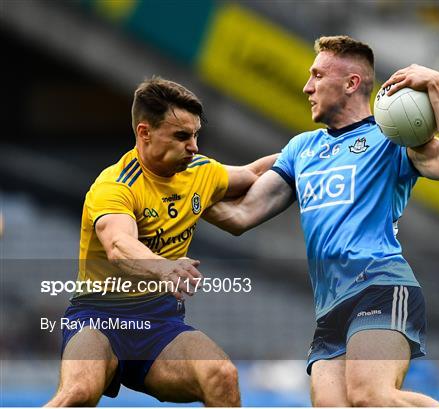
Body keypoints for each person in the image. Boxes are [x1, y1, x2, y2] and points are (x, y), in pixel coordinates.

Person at [204, 35, 439, 407]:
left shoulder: (392, 135)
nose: (307, 86)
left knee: (370, 396)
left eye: (317, 75)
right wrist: (182, 190)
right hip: (330, 305)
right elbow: (240, 215)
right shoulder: (301, 149)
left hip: (380, 284)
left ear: (350, 83)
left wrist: (437, 86)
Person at [46, 77, 277, 406]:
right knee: (79, 391)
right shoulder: (114, 185)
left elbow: (255, 174)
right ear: (145, 133)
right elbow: (118, 245)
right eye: (182, 136)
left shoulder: (199, 171)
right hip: (97, 318)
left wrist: (309, 151)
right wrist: (163, 268)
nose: (194, 146)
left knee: (222, 375)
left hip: (159, 324)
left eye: (195, 135)